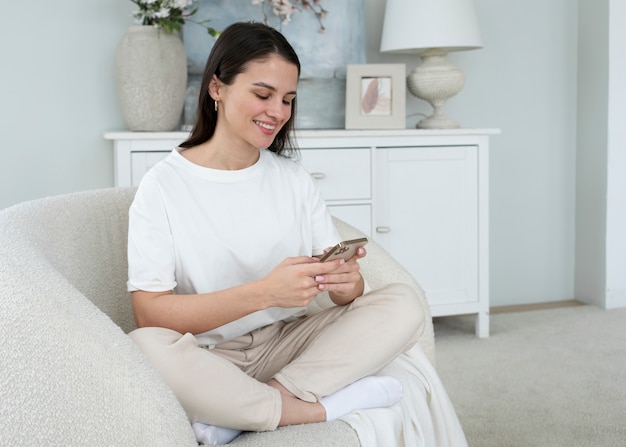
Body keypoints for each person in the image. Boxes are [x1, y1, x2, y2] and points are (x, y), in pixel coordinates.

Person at [127, 22, 425, 445]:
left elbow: (343, 295)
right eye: (263, 95)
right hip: (211, 357)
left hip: (291, 345)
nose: (279, 112)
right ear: (217, 88)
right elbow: (149, 314)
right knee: (145, 345)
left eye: (287, 99)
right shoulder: (163, 186)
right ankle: (319, 408)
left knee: (402, 302)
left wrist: (346, 283)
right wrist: (264, 292)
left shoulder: (293, 179)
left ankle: (259, 406)